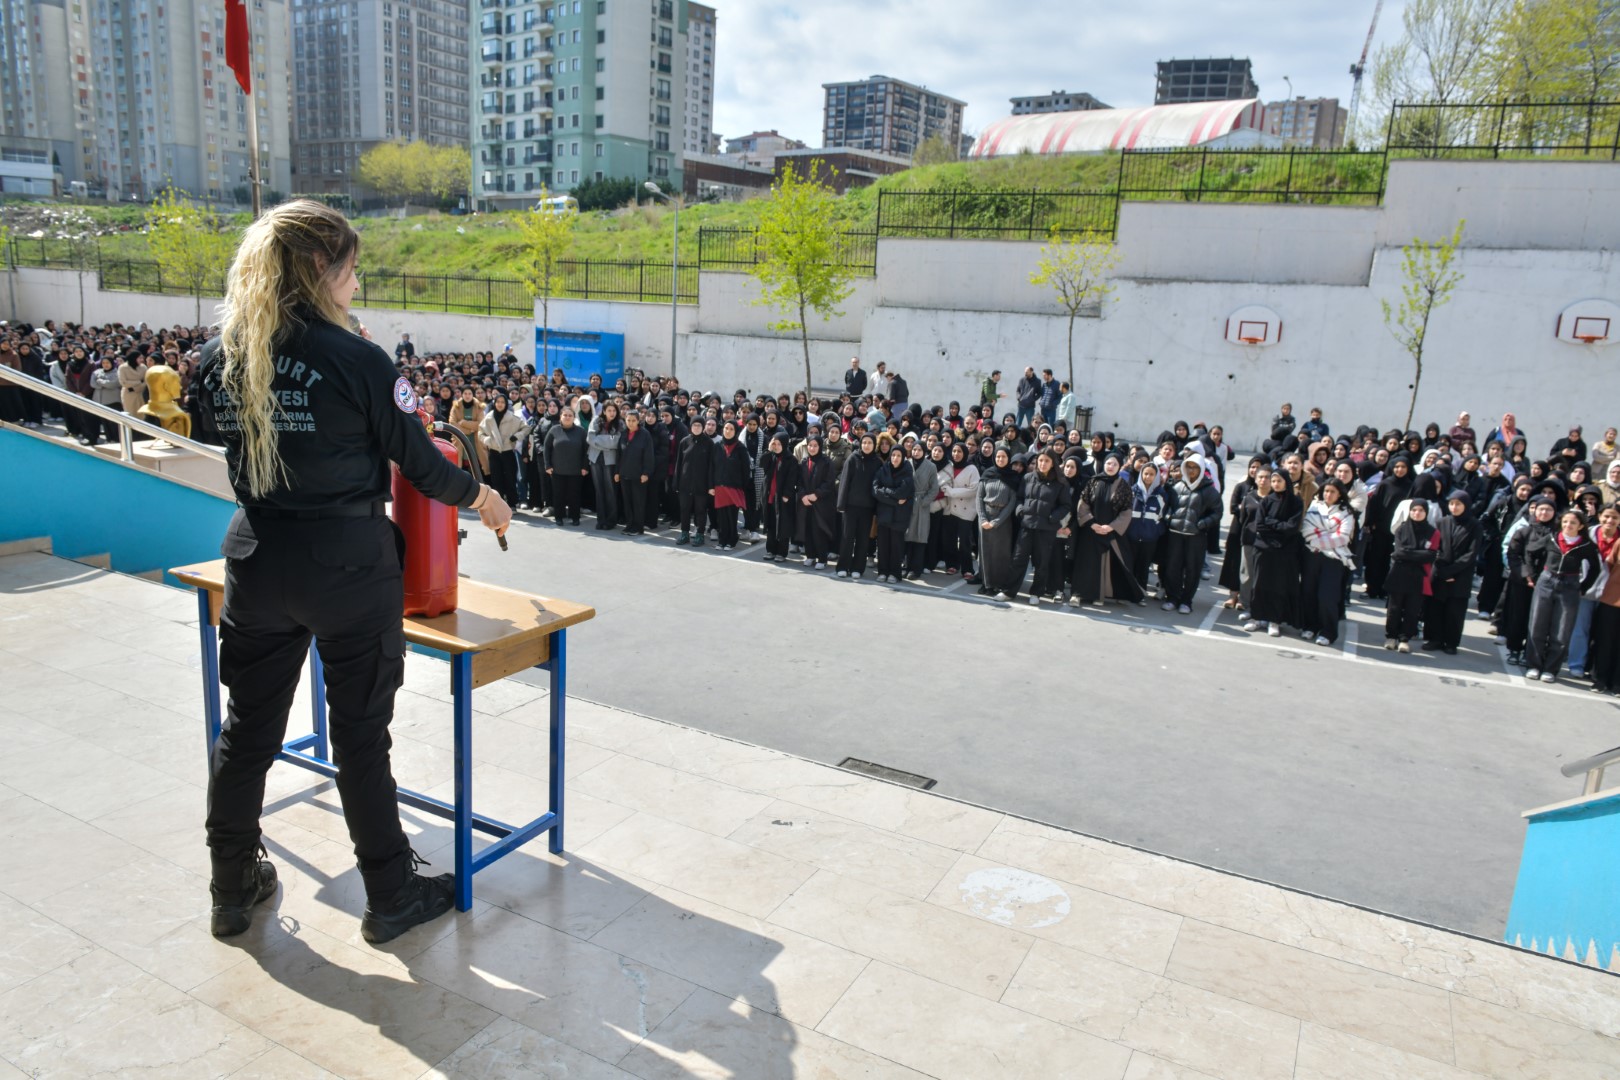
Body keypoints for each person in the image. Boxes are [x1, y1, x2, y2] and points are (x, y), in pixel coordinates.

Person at [197, 200, 511, 945]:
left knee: (247, 732)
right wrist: (484, 498)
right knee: (361, 738)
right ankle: (391, 893)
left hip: (256, 555)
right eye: (351, 269)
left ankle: (230, 890)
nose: (357, 283)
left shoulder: (219, 355)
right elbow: (423, 465)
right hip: (346, 563)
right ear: (318, 267)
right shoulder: (359, 359)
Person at [1524, 507, 1602, 682]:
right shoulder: (1552, 538)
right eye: (1565, 521)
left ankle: (1551, 669)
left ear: (1580, 526)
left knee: (1562, 630)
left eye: (1573, 522)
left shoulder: (1586, 545)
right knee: (1537, 625)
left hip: (1570, 586)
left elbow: (1595, 568)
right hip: (1546, 582)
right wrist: (1532, 574)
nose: (1568, 525)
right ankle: (1533, 665)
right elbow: (1530, 550)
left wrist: (1583, 587)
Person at [1070, 451, 1137, 607]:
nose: (1111, 466)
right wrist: (1091, 523)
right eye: (1108, 463)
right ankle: (1077, 594)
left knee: (1104, 565)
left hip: (1110, 532)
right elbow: (1083, 504)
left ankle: (1098, 596)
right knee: (1085, 563)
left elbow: (1126, 511)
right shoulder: (1093, 481)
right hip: (1090, 531)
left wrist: (1111, 527)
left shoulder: (1124, 486)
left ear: (1120, 466)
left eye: (1114, 464)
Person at [1008, 448, 1071, 605]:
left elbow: (1065, 505)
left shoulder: (1060, 483)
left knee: (1041, 563)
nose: (1042, 464)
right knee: (1018, 559)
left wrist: (1053, 517)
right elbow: (1019, 498)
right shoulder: (1028, 478)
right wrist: (1020, 510)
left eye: (1047, 461)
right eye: (1040, 460)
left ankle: (1036, 593)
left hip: (1046, 529)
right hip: (1026, 525)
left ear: (1053, 463)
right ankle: (1009, 591)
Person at [1300, 479, 1356, 646]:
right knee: (1308, 592)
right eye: (1326, 491)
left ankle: (1328, 632)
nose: (1328, 494)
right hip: (1312, 556)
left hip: (1334, 559)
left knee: (1327, 597)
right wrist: (1326, 535)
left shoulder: (1347, 512)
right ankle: (1310, 626)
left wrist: (1318, 538)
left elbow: (1343, 537)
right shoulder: (1314, 506)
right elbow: (1307, 530)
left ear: (1340, 494)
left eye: (1332, 492)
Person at [1248, 470, 1303, 637]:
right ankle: (1257, 617)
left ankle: (1274, 620)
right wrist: (1278, 528)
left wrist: (1271, 523)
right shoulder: (1266, 501)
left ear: (1286, 481)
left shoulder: (1295, 502)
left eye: (1279, 480)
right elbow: (1260, 525)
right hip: (1263, 548)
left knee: (1278, 586)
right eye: (1273, 481)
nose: (1276, 484)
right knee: (1259, 584)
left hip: (1284, 550)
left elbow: (1292, 527)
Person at [1163, 454, 1220, 615]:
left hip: (1196, 536)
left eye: (1195, 467)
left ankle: (1186, 601)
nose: (1191, 470)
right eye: (1188, 467)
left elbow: (1217, 512)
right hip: (1175, 534)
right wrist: (1168, 517)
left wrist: (1203, 524)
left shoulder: (1210, 491)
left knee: (1192, 570)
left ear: (1201, 469)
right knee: (1172, 568)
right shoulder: (1177, 487)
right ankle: (1172, 598)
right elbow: (1167, 506)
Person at [1427, 492, 1481, 655]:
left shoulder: (1475, 525)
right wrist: (1441, 569)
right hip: (1441, 571)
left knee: (1454, 611)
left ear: (1466, 505)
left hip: (1461, 574)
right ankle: (1434, 639)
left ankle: (1451, 642)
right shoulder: (1442, 522)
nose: (1454, 507)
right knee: (1435, 607)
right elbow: (1435, 547)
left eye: (1458, 504)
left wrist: (1451, 571)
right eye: (1451, 503)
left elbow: (1471, 553)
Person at [1386, 499, 1439, 653]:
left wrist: (1408, 553)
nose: (1417, 513)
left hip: (1419, 576)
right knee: (1394, 608)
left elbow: (1430, 556)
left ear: (1426, 512)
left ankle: (1404, 639)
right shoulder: (1401, 529)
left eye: (1421, 510)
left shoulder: (1433, 532)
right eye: (1414, 510)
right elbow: (1398, 552)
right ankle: (1391, 636)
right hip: (1399, 574)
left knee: (1412, 610)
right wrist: (1418, 554)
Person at [837, 433, 881, 578]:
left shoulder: (877, 462)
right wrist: (841, 504)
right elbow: (844, 482)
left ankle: (857, 568)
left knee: (863, 539)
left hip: (867, 508)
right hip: (850, 506)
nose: (866, 445)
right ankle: (843, 566)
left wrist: (876, 509)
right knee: (847, 537)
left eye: (870, 443)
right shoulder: (852, 458)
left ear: (874, 445)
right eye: (864, 442)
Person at [1587, 506, 1620, 694]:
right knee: (1605, 640)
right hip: (1611, 599)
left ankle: (1617, 683)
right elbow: (1609, 566)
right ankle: (1600, 679)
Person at [872, 444, 915, 583]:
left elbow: (902, 492)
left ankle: (895, 573)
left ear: (903, 457)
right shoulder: (883, 469)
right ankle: (882, 571)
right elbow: (875, 490)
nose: (895, 458)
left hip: (899, 515)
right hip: (884, 513)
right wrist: (894, 499)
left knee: (896, 546)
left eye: (899, 456)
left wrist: (885, 490)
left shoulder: (907, 471)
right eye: (893, 455)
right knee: (882, 545)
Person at [939, 441, 980, 577]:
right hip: (949, 508)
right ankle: (952, 565)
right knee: (948, 540)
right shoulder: (949, 467)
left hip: (965, 510)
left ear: (965, 453)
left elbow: (973, 490)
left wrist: (951, 492)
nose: (956, 454)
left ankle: (967, 569)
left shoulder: (972, 469)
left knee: (964, 542)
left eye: (959, 451)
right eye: (954, 451)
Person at [477, 392, 524, 510]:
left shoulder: (512, 417)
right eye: (498, 402)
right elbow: (480, 433)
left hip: (508, 452)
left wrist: (516, 437)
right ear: (494, 403)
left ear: (506, 404)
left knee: (510, 478)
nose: (500, 404)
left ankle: (512, 503)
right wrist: (487, 440)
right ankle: (498, 503)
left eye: (502, 402)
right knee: (496, 479)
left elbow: (525, 428)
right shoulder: (489, 417)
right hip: (494, 452)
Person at [797, 435, 838, 568]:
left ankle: (822, 558)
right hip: (806, 503)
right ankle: (810, 556)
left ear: (820, 447)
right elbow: (799, 482)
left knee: (819, 530)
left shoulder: (826, 462)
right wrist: (803, 495)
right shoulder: (804, 461)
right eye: (810, 445)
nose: (812, 448)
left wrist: (817, 494)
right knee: (807, 529)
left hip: (822, 503)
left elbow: (829, 482)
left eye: (815, 446)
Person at [543, 405, 587, 525]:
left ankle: (575, 517)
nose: (567, 417)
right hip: (557, 470)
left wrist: (585, 467)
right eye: (565, 415)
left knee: (574, 495)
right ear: (560, 417)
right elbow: (546, 448)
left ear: (574, 417)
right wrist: (547, 465)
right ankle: (559, 517)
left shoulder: (581, 431)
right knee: (558, 495)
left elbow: (586, 451)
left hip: (576, 470)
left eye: (570, 415)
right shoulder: (554, 430)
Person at [673, 414, 714, 546]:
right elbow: (679, 463)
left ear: (703, 427)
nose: (696, 428)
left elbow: (711, 466)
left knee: (700, 510)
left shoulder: (709, 443)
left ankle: (700, 534)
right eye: (694, 425)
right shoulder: (684, 442)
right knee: (684, 509)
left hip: (701, 484)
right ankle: (684, 533)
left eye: (699, 425)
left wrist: (710, 486)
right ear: (690, 427)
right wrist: (676, 482)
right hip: (685, 483)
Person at [710, 418, 750, 549]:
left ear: (736, 431)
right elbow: (711, 467)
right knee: (721, 516)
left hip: (734, 488)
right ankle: (722, 540)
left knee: (731, 516)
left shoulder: (741, 448)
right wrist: (711, 486)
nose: (728, 431)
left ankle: (731, 540)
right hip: (719, 486)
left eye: (731, 429)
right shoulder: (717, 446)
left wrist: (742, 487)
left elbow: (745, 470)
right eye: (726, 428)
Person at [903, 438, 939, 580]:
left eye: (919, 450)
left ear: (924, 452)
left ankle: (916, 569)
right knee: (907, 536)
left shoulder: (931, 466)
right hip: (907, 503)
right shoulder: (906, 463)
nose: (916, 452)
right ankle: (906, 566)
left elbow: (934, 488)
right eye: (914, 449)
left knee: (919, 536)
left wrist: (924, 502)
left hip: (922, 505)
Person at [760, 432, 799, 561]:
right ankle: (770, 550)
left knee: (783, 525)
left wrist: (787, 494)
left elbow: (792, 479)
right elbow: (761, 463)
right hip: (770, 496)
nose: (776, 446)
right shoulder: (770, 456)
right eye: (774, 443)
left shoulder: (791, 459)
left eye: (778, 444)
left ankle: (781, 553)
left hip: (782, 498)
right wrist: (768, 449)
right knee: (771, 525)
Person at [617, 409, 655, 535]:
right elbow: (619, 454)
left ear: (638, 421)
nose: (631, 423)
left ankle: (638, 527)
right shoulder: (623, 434)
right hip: (624, 473)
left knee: (638, 502)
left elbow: (649, 455)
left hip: (639, 475)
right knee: (627, 501)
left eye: (633, 420)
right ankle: (629, 525)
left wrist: (646, 473)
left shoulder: (645, 435)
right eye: (628, 420)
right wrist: (617, 472)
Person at [1014, 366, 1040, 431]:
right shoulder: (1022, 380)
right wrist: (1018, 397)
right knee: (1018, 423)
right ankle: (1016, 435)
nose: (1025, 373)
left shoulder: (1037, 381)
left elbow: (1039, 393)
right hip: (1021, 406)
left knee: (1030, 424)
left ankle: (1031, 435)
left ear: (1031, 372)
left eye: (1027, 372)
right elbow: (1018, 390)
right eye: (1025, 372)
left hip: (1030, 407)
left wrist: (1033, 399)